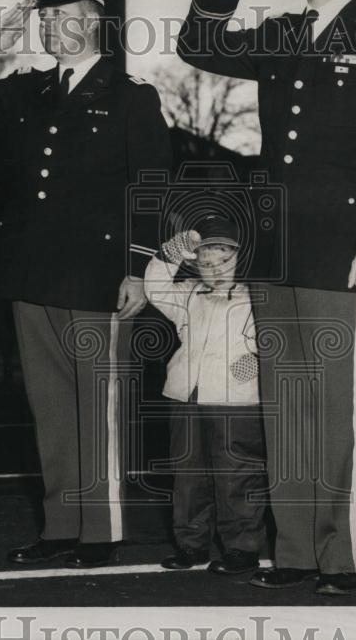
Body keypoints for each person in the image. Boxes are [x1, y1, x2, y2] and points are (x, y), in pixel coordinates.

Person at [178, 0, 356, 595]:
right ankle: (292, 550)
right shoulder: (283, 35)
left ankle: (339, 555)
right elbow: (199, 45)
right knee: (285, 405)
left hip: (344, 246)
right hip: (278, 245)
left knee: (337, 410)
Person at [0, 0, 173, 568]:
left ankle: (102, 531)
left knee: (98, 404)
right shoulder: (26, 90)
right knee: (49, 405)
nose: (48, 25)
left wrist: (139, 266)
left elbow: (150, 187)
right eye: (44, 15)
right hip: (31, 271)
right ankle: (61, 524)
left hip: (97, 275)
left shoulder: (130, 97)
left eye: (62, 14)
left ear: (94, 21)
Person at [145, 216, 267, 577]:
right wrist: (173, 250)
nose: (214, 270)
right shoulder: (187, 295)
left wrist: (256, 361)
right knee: (188, 475)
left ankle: (241, 547)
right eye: (205, 263)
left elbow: (277, 338)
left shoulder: (257, 298)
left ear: (241, 260)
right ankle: (191, 544)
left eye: (223, 261)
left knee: (237, 475)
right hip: (187, 396)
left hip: (237, 399)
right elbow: (154, 286)